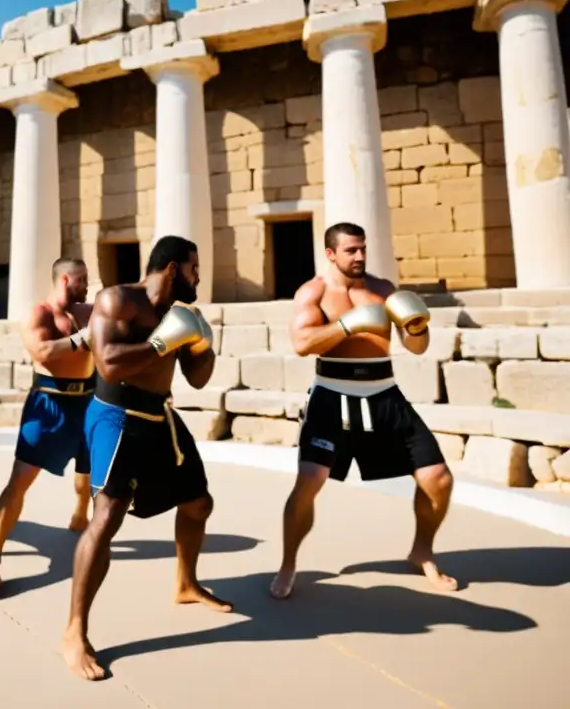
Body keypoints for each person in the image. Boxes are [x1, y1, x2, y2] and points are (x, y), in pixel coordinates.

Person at [62, 235, 233, 682]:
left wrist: (203, 345)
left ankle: (185, 583)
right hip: (116, 415)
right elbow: (109, 363)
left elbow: (197, 380)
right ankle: (75, 630)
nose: (199, 278)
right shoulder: (118, 300)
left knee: (198, 503)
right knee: (107, 517)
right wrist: (162, 343)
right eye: (194, 268)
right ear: (174, 268)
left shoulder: (180, 315)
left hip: (160, 415)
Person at [269, 222, 455, 600]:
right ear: (331, 254)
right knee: (309, 482)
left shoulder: (383, 290)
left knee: (439, 478)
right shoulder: (314, 292)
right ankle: (288, 563)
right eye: (351, 250)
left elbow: (416, 348)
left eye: (362, 249)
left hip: (383, 393)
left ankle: (422, 551)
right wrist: (345, 325)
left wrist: (416, 326)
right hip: (331, 395)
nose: (359, 256)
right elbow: (302, 343)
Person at [0, 258, 96, 601]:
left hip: (87, 402)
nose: (87, 286)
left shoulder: (86, 312)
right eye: (83, 280)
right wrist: (81, 339)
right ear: (66, 279)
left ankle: (79, 516)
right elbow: (42, 349)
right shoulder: (40, 314)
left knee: (87, 474)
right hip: (49, 404)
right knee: (19, 483)